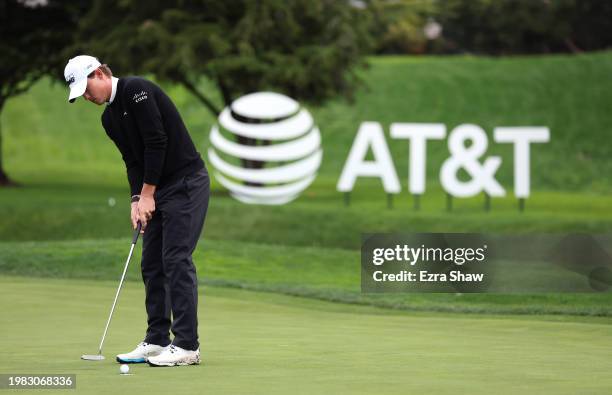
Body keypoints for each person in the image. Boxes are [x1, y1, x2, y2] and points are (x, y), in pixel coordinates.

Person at [64, 55, 210, 367]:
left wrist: (147, 194)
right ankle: (157, 339)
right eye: (81, 95)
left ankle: (187, 345)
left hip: (185, 182)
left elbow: (157, 142)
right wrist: (136, 199)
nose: (87, 97)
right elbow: (133, 159)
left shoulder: (136, 90)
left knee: (176, 258)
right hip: (155, 189)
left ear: (100, 73)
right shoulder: (109, 119)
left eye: (87, 88)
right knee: (151, 262)